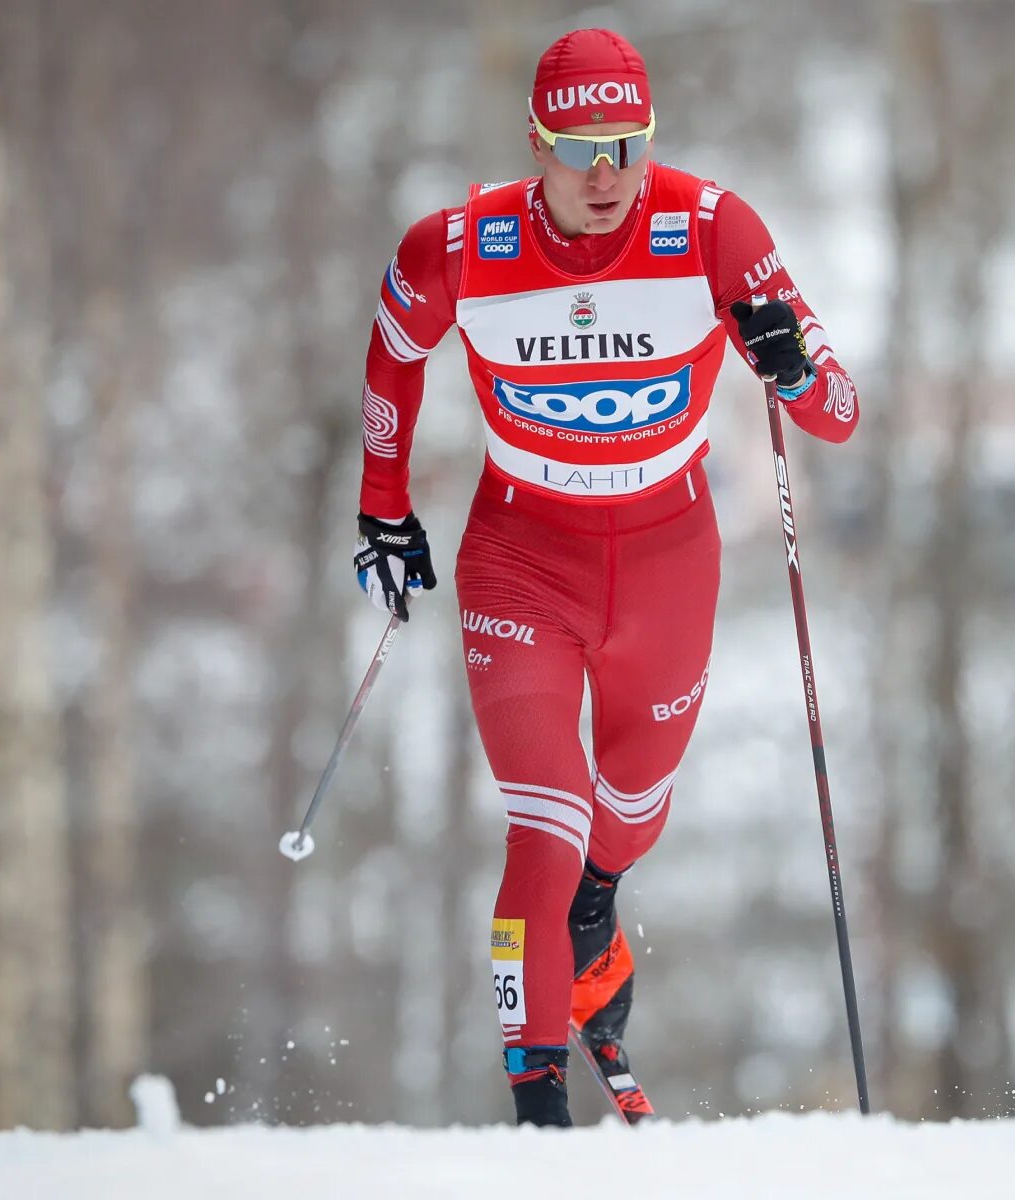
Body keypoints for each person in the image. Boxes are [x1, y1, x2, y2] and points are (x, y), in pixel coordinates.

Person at [350, 27, 860, 1127]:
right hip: (521, 559)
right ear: (536, 142)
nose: (604, 174)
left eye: (624, 144)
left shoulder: (714, 228)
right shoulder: (462, 244)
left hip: (669, 559)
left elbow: (841, 414)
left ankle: (596, 909)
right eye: (577, 146)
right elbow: (395, 344)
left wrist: (793, 365)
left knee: (628, 815)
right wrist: (381, 506)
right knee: (549, 817)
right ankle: (538, 1114)